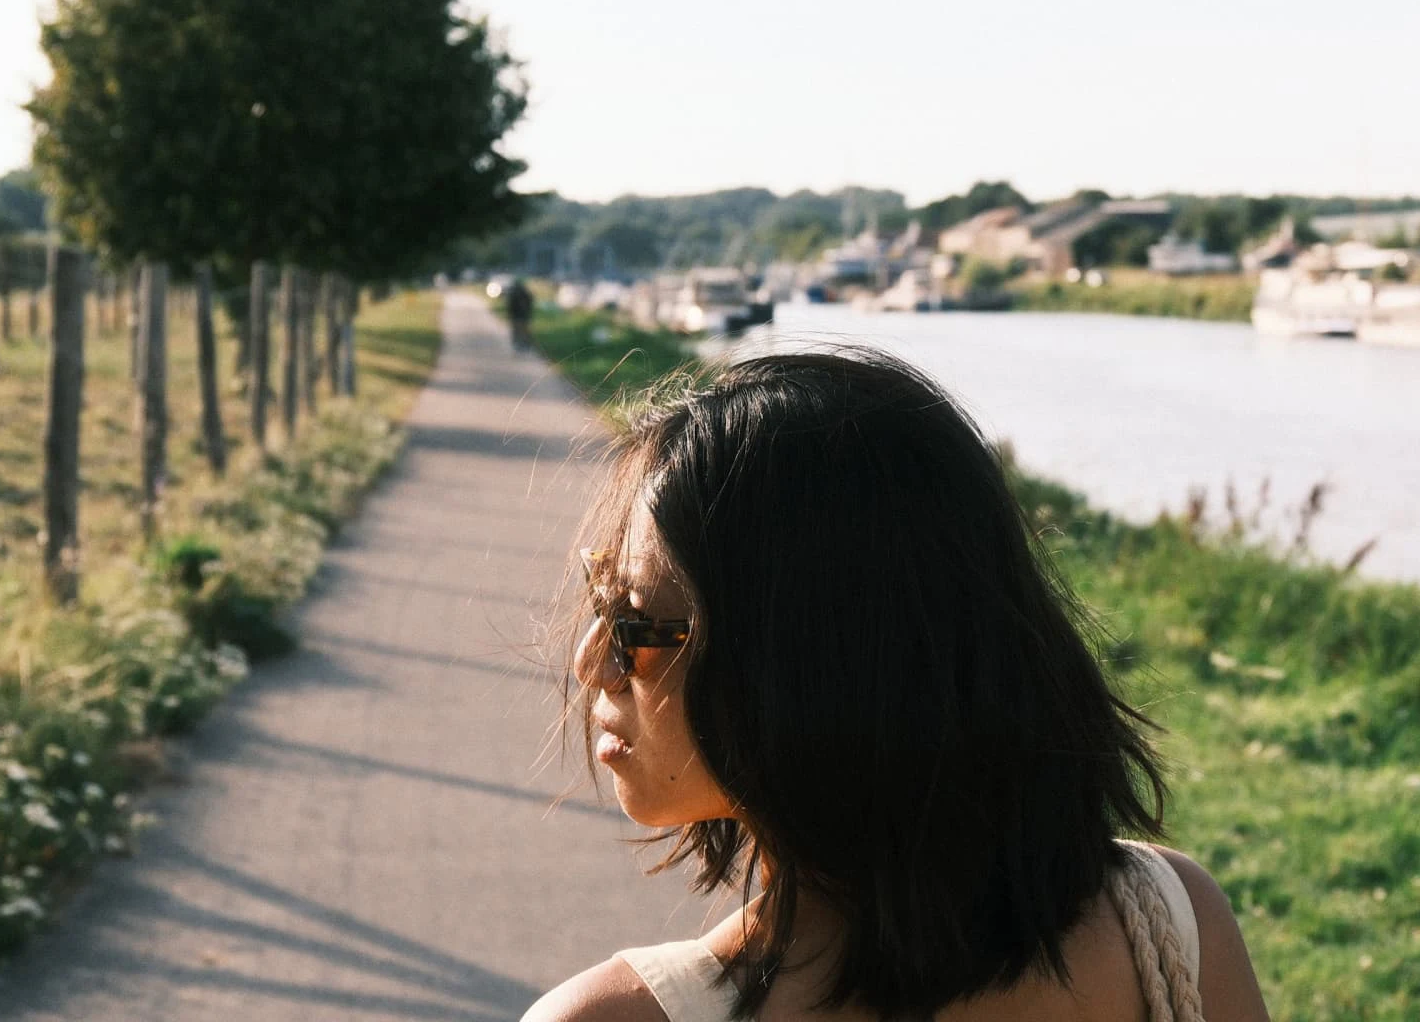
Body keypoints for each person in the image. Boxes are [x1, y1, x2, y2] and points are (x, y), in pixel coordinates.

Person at [525, 349, 1270, 1022]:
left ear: (810, 661)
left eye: (636, 623)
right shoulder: (1172, 925)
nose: (594, 660)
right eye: (602, 600)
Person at [504, 275, 536, 351]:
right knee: (523, 330)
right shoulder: (525, 293)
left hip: (518, 315)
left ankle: (520, 344)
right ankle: (523, 344)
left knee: (518, 330)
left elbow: (510, 305)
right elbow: (530, 302)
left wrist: (509, 314)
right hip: (521, 315)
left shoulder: (514, 293)